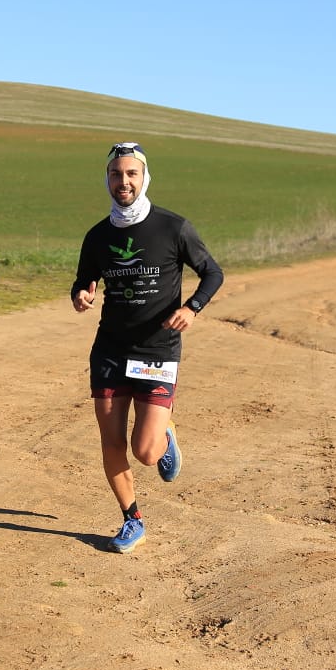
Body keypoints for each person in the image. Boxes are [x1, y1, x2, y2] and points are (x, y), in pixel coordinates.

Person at [70, 142, 224, 554]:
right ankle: (131, 519)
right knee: (111, 441)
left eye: (131, 174)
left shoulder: (173, 228)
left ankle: (166, 432)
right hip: (109, 350)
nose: (124, 182)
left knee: (145, 452)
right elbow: (84, 281)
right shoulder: (98, 236)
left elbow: (212, 272)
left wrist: (192, 308)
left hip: (157, 350)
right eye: (116, 174)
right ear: (108, 179)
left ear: (144, 178)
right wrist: (81, 295)